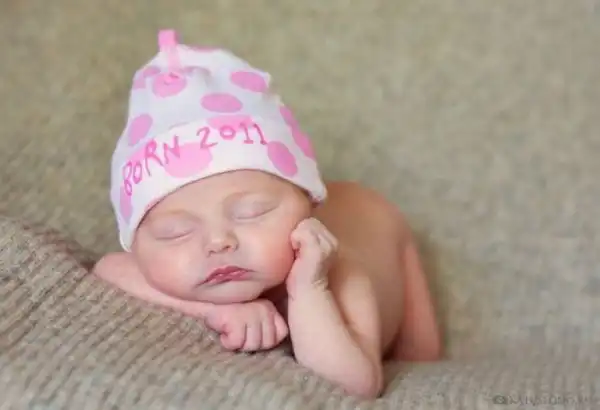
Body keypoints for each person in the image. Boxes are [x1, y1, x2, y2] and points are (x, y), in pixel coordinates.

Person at [93, 29, 442, 399]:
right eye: (174, 232)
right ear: (137, 244)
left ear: (311, 204)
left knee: (421, 353)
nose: (218, 241)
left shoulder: (344, 275)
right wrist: (211, 311)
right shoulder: (152, 262)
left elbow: (357, 384)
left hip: (380, 226)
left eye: (251, 213)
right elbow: (108, 269)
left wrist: (309, 290)